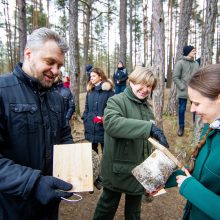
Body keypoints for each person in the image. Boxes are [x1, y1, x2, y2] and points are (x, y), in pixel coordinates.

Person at [0, 27, 74, 220]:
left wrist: (79, 166)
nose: (56, 71)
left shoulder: (56, 98)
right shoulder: (2, 91)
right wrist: (34, 183)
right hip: (12, 207)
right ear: (29, 54)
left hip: (49, 206)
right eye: (50, 62)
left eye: (59, 65)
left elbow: (64, 136)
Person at [93, 67, 169, 220]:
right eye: (142, 83)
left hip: (139, 171)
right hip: (116, 170)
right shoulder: (116, 100)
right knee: (106, 207)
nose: (145, 89)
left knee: (134, 213)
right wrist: (149, 128)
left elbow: (147, 140)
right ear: (132, 82)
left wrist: (153, 169)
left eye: (149, 86)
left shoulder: (147, 108)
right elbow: (112, 124)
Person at [167, 64, 220, 219]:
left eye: (197, 103)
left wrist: (190, 188)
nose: (192, 109)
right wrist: (163, 179)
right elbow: (203, 174)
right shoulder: (212, 127)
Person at [82, 67, 114, 190]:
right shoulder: (90, 91)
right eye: (91, 76)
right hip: (91, 127)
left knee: (106, 154)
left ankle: (106, 178)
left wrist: (104, 118)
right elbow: (86, 108)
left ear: (100, 76)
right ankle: (94, 179)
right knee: (92, 155)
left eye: (94, 76)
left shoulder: (109, 92)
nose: (91, 78)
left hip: (104, 128)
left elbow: (113, 109)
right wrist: (86, 118)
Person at [173, 45, 199, 136]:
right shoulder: (180, 63)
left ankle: (196, 125)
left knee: (196, 109)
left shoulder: (196, 63)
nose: (195, 52)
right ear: (188, 52)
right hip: (183, 91)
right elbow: (175, 77)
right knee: (182, 109)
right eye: (193, 51)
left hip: (195, 90)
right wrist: (182, 87)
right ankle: (181, 127)